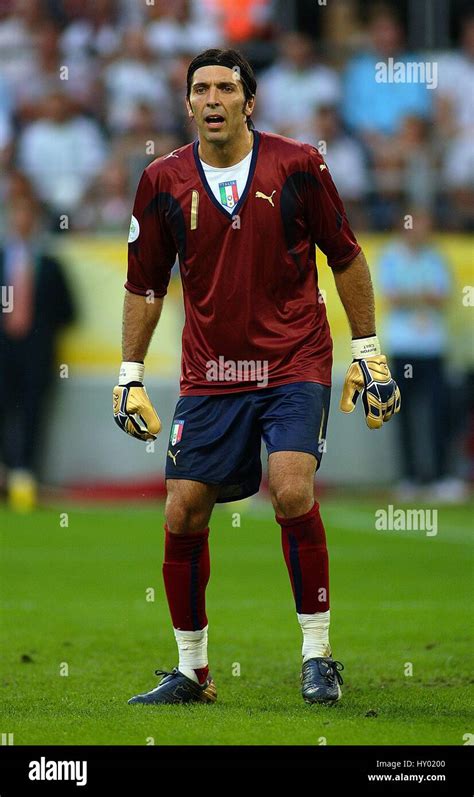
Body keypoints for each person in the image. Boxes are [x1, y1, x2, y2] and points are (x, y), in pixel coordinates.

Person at [113, 48, 400, 706]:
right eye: (201, 88)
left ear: (250, 101)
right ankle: (192, 671)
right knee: (183, 508)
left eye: (226, 87)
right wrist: (129, 374)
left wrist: (369, 350)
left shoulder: (298, 165)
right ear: (187, 104)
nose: (213, 98)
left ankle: (318, 654)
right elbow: (145, 286)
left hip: (293, 360)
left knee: (290, 487)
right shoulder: (161, 180)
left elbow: (347, 258)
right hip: (210, 373)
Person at [378, 210, 465, 501]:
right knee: (404, 414)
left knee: (440, 413)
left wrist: (410, 296)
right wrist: (422, 296)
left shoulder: (435, 257)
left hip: (433, 348)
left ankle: (441, 476)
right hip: (404, 348)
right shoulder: (390, 256)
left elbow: (442, 297)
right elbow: (392, 298)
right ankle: (410, 477)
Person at [0, 193, 75, 510]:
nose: (22, 221)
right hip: (4, 353)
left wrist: (41, 332)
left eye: (27, 215)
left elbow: (69, 312)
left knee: (33, 415)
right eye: (17, 214)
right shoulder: (3, 260)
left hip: (37, 355)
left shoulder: (50, 264)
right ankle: (5, 474)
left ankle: (25, 477)